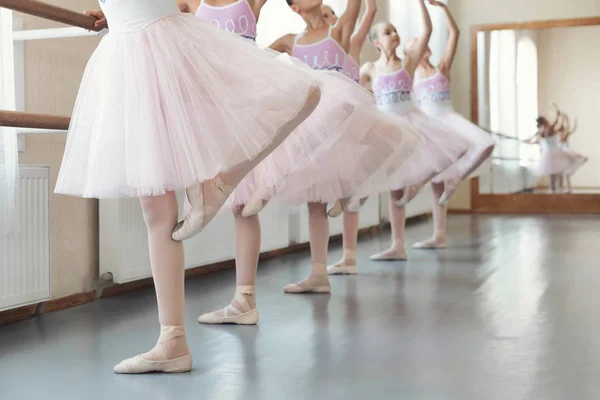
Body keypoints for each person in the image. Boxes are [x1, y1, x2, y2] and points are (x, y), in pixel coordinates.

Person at [55, 0, 322, 373]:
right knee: (156, 206)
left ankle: (223, 181)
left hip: (150, 42)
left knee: (303, 93)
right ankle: (173, 340)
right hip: (133, 43)